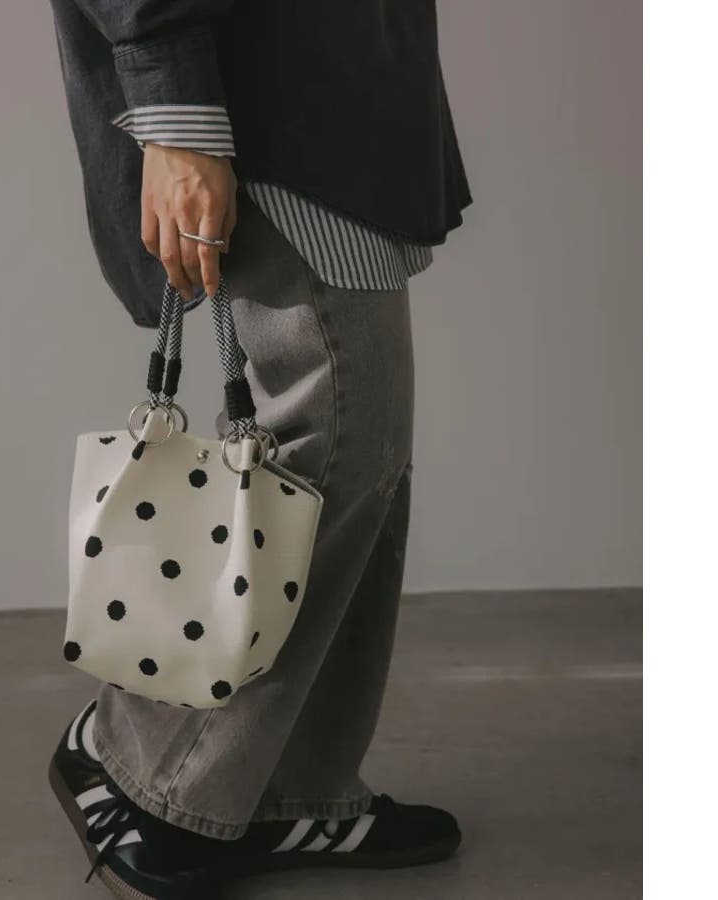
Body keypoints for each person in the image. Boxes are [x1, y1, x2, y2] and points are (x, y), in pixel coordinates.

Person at [47, 1, 472, 897]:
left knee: (357, 451)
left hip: (332, 80)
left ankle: (277, 789)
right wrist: (174, 112)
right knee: (341, 433)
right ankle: (146, 765)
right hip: (267, 86)